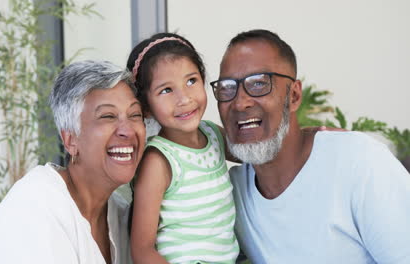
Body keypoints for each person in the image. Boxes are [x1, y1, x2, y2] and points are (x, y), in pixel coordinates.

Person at [211, 29, 410, 263]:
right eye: (226, 88)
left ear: (294, 96)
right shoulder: (231, 193)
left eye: (258, 84)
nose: (240, 102)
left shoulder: (359, 162)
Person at [0, 60, 146, 264]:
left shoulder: (122, 215)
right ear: (70, 140)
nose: (127, 130)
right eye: (108, 116)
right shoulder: (35, 207)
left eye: (135, 115)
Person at [127, 32, 240, 264]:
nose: (184, 98)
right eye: (166, 90)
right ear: (146, 107)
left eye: (191, 81)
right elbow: (142, 250)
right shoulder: (158, 161)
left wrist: (312, 136)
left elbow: (259, 152)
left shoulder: (213, 134)